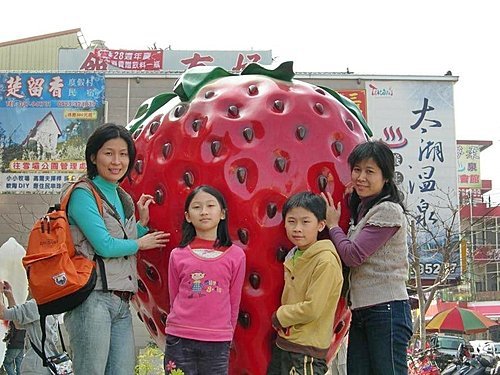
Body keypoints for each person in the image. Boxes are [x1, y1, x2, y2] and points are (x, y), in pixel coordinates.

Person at [63, 123, 170, 374]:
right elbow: (104, 245)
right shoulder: (83, 193)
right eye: (108, 153)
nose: (117, 161)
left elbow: (121, 238)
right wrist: (141, 243)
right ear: (93, 156)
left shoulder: (121, 197)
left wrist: (141, 225)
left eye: (123, 154)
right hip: (92, 300)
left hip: (122, 300)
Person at [322, 140, 413, 375]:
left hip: (387, 310)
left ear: (386, 178)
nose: (361, 177)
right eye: (357, 170)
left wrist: (333, 226)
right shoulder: (366, 210)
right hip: (364, 311)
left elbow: (353, 255)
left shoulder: (388, 211)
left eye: (370, 171)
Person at [164, 185, 246, 375]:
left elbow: (234, 301)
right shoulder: (178, 254)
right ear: (187, 216)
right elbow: (173, 295)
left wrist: (226, 334)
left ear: (222, 213)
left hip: (217, 341)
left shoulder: (236, 256)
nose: (204, 212)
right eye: (197, 207)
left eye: (210, 206)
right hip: (179, 337)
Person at [267, 192, 343, 375]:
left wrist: (280, 315)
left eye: (305, 222)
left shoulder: (325, 261)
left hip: (307, 351)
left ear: (321, 225)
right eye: (291, 221)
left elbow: (313, 308)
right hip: (286, 344)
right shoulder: (295, 255)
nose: (297, 228)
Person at [0, 281, 59, 375]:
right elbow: (18, 323)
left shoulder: (36, 305)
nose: (28, 289)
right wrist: (9, 296)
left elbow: (2, 313)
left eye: (30, 286)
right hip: (47, 364)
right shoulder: (49, 305)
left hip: (35, 367)